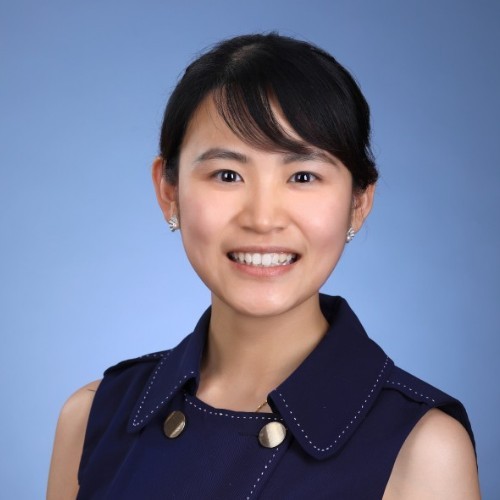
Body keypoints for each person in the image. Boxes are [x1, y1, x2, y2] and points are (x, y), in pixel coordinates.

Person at [47, 33, 480, 499]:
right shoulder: (92, 417)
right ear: (169, 191)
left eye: (303, 176)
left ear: (358, 203)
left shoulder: (422, 449)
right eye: (227, 175)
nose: (263, 218)